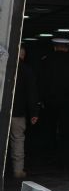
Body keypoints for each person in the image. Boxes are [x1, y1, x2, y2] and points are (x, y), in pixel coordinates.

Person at [39, 37, 69, 168]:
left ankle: (50, 156)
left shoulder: (46, 61)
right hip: (68, 102)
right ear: (67, 47)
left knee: (49, 129)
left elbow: (41, 82)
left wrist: (41, 99)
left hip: (50, 101)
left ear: (55, 47)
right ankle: (67, 157)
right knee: (67, 130)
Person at [10, 44, 39, 178]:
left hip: (3, 111)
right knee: (18, 139)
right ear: (23, 55)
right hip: (18, 112)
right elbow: (31, 93)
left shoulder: (5, 67)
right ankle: (18, 170)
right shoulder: (26, 70)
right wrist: (34, 112)